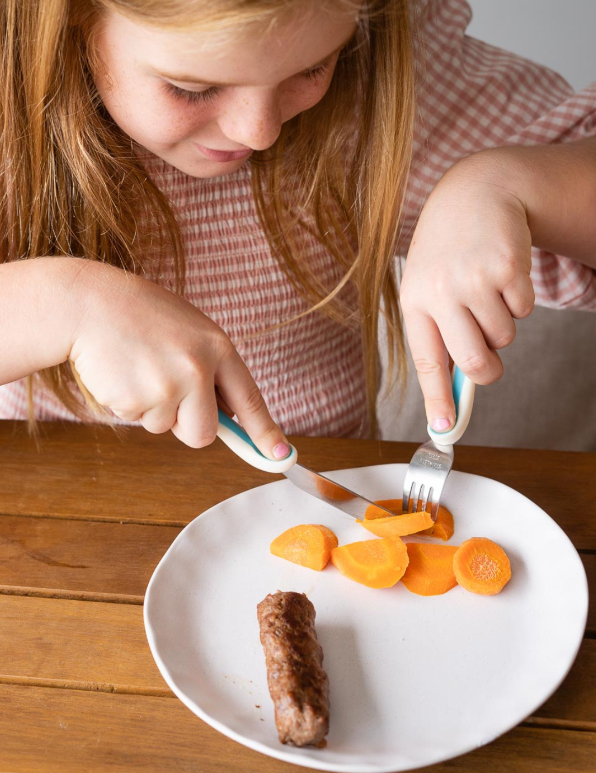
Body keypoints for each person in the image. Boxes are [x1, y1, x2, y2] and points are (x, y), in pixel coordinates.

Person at [0, 0, 594, 459]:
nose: (258, 131)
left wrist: (507, 184)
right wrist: (63, 304)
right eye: (192, 87)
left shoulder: (387, 68)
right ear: (75, 15)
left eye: (312, 68)